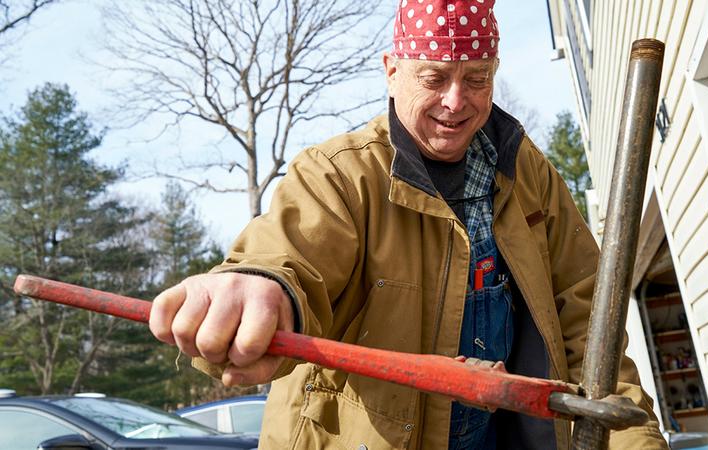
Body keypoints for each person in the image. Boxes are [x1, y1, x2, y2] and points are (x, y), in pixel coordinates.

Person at [149, 1, 667, 448]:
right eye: (434, 78)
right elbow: (289, 254)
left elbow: (590, 324)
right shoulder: (339, 174)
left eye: (477, 78)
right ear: (391, 70)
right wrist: (261, 287)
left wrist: (635, 442)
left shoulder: (531, 177)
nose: (455, 101)